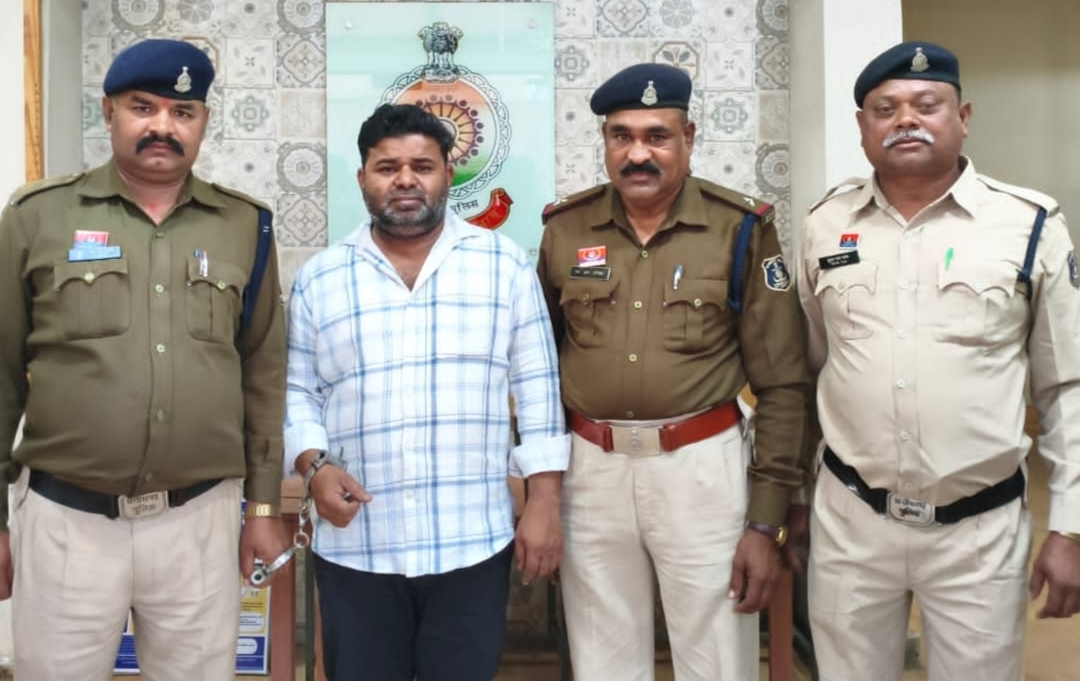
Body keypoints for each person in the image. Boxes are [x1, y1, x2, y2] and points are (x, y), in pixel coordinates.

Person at [0, 38, 290, 680]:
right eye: (143, 107)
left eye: (183, 112)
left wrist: (264, 508)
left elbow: (264, 375)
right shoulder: (36, 216)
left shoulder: (245, 225)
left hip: (199, 521)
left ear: (203, 121)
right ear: (108, 112)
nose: (164, 126)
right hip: (67, 521)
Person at [798, 41, 1080, 681]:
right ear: (863, 127)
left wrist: (1070, 526)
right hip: (851, 521)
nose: (906, 120)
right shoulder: (825, 223)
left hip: (978, 529)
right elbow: (810, 365)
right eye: (885, 108)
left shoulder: (1029, 224)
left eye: (926, 104)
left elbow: (1066, 388)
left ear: (963, 116)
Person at [536, 62, 809, 681]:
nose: (638, 154)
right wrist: (540, 489)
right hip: (590, 469)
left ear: (688, 137)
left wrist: (765, 518)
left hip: (702, 468)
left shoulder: (740, 228)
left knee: (717, 658)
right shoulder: (565, 228)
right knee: (601, 661)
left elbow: (784, 382)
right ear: (605, 141)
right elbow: (537, 370)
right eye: (622, 136)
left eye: (656, 136)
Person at [284, 103, 570, 681]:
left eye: (422, 166)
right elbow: (298, 392)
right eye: (387, 167)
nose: (405, 180)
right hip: (358, 544)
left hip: (471, 541)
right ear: (362, 178)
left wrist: (543, 504)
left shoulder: (504, 267)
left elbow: (539, 392)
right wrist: (314, 466)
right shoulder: (321, 277)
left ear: (448, 175)